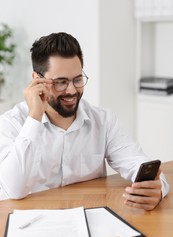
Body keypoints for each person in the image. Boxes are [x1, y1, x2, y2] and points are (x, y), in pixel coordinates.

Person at [0, 32, 169, 210]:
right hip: (31, 223)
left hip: (89, 218)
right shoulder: (11, 124)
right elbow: (13, 190)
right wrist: (34, 116)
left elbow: (138, 162)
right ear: (37, 80)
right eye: (61, 82)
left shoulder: (103, 120)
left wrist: (158, 188)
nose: (72, 90)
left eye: (78, 79)